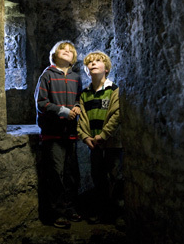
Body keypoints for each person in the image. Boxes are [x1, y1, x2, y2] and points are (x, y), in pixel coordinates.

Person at [34, 40, 82, 229]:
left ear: (73, 59)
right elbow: (41, 102)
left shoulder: (76, 77)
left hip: (70, 133)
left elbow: (79, 98)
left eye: (71, 51)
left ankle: (70, 208)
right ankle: (57, 213)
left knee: (71, 173)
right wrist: (63, 111)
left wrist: (77, 107)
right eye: (63, 49)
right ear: (55, 54)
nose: (67, 51)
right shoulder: (47, 76)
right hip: (53, 133)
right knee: (56, 174)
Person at [77, 51, 124, 225]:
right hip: (94, 145)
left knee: (116, 177)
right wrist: (85, 137)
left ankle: (117, 214)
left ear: (106, 68)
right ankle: (101, 211)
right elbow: (82, 119)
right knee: (98, 178)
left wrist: (103, 135)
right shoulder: (85, 94)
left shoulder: (113, 90)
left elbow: (116, 114)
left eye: (98, 61)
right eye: (90, 63)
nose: (93, 64)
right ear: (87, 70)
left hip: (112, 143)